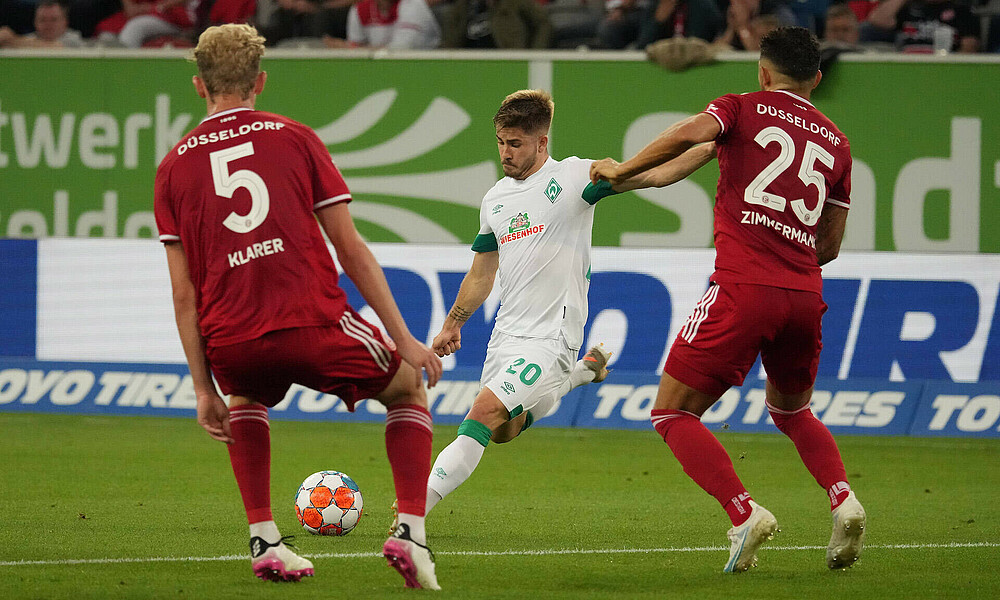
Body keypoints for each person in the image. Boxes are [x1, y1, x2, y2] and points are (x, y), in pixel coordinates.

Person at [154, 24, 444, 590]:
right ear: (260, 81)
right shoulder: (294, 137)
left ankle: (265, 541)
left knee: (244, 397)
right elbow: (350, 249)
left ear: (198, 86)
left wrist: (200, 388)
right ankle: (411, 532)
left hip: (231, 338)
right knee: (408, 385)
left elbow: (183, 292)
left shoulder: (172, 168)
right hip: (310, 320)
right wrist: (403, 338)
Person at [591, 26, 866, 573]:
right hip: (805, 296)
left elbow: (687, 133)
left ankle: (744, 515)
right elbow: (829, 247)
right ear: (816, 78)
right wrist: (622, 184)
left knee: (672, 412)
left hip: (743, 287)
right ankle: (843, 499)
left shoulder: (741, 108)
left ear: (761, 72)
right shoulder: (836, 142)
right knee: (793, 412)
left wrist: (620, 167)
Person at [417, 89, 717, 522]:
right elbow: (482, 273)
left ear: (542, 142)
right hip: (506, 335)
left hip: (551, 336)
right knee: (502, 431)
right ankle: (582, 373)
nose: (505, 152)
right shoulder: (496, 199)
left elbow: (654, 176)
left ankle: (414, 510)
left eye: (515, 143)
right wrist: (453, 324)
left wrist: (710, 147)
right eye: (501, 141)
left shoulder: (575, 177)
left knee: (481, 413)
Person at [863, 0, 979, 53]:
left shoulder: (962, 11)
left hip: (945, 67)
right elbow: (877, 19)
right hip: (908, 66)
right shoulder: (908, 9)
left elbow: (969, 47)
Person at [323, 0, 441, 48]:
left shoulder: (413, 5)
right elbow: (356, 49)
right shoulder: (360, 10)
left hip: (422, 68)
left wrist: (347, 48)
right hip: (381, 71)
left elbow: (399, 51)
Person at [442, 0, 552, 48]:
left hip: (505, 57)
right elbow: (451, 36)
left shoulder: (514, 2)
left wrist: (534, 54)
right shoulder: (462, 6)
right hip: (468, 59)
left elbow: (543, 23)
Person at [0, 0, 84, 48]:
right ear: (35, 22)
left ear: (65, 22)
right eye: (42, 20)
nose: (48, 24)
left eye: (54, 20)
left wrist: (10, 39)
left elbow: (56, 48)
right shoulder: (29, 38)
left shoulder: (75, 39)